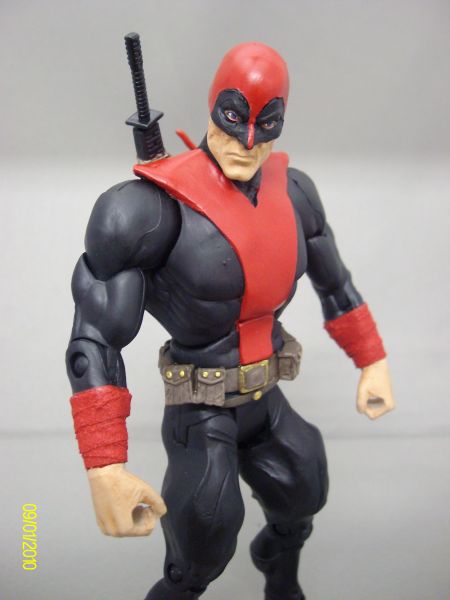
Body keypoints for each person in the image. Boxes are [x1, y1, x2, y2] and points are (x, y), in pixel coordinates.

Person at [67, 42, 395, 600]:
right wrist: (105, 465)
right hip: (200, 411)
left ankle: (280, 578)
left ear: (282, 120)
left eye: (266, 123)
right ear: (213, 105)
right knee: (204, 537)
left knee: (305, 484)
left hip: (266, 399)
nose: (247, 141)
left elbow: (335, 284)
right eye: (234, 117)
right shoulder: (148, 211)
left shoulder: (295, 193)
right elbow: (94, 340)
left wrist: (372, 359)